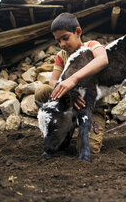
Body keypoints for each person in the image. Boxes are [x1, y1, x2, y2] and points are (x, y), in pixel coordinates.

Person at [35, 12, 108, 153]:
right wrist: (69, 92)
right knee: (42, 91)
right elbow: (53, 81)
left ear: (78, 32)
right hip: (68, 105)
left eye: (65, 38)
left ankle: (87, 125)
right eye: (58, 41)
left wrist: (74, 80)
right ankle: (53, 129)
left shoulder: (91, 46)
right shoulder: (61, 56)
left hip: (91, 106)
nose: (62, 44)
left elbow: (103, 59)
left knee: (89, 148)